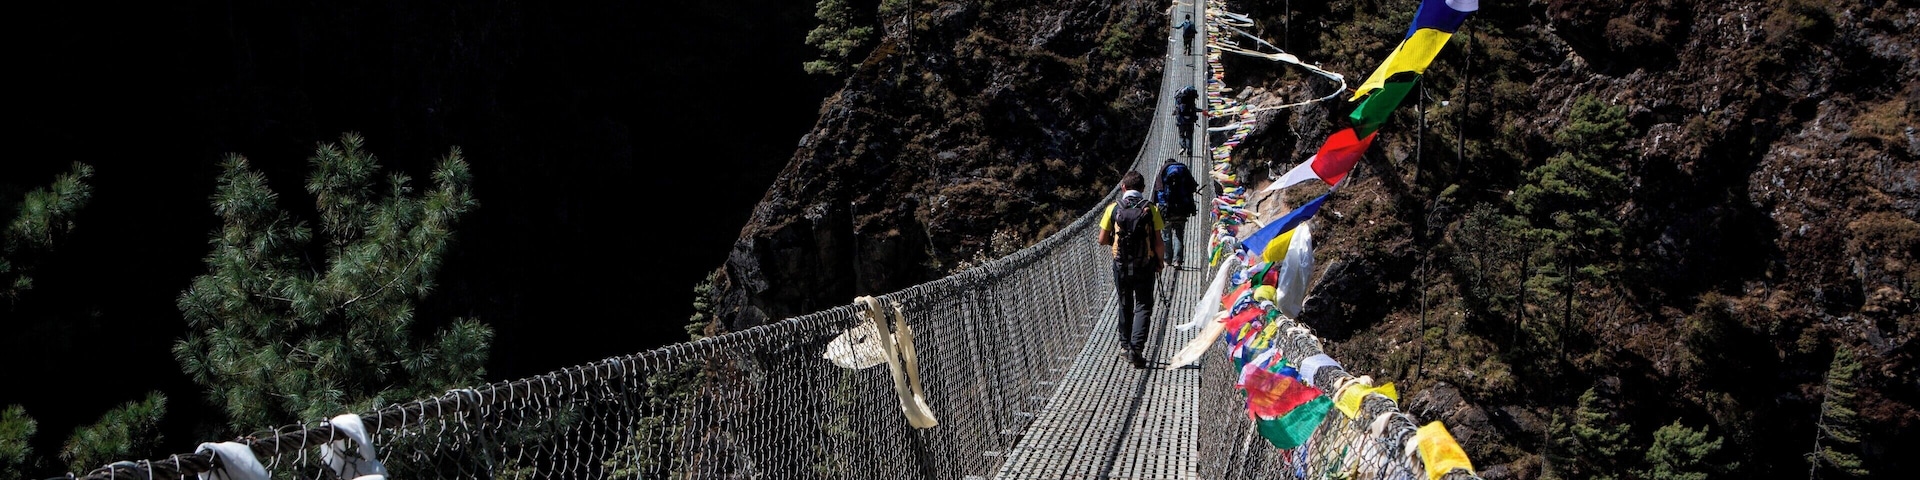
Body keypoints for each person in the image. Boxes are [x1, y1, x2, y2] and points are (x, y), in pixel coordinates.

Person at [1098, 171, 1165, 369]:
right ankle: (1136, 350)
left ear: (1123, 187)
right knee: (1143, 305)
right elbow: (1158, 242)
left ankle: (1125, 345)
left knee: (1125, 303)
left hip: (1121, 265)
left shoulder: (1113, 209)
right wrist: (1160, 262)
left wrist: (1115, 242)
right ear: (1143, 189)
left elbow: (1102, 239)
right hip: (1145, 264)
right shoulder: (1151, 209)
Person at [1153, 157, 1199, 268]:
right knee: (1179, 234)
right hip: (1182, 209)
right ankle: (1177, 261)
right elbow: (1193, 186)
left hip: (1166, 210)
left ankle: (1167, 260)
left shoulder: (1162, 171)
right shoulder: (1183, 169)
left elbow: (1157, 191)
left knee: (1166, 235)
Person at [1175, 85, 1200, 154]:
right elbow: (1194, 109)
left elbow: (1177, 109)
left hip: (1181, 121)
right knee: (1189, 135)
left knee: (1181, 135)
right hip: (1190, 120)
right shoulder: (1191, 101)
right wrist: (1202, 110)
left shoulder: (1179, 99)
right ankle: (1189, 149)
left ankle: (1183, 147)